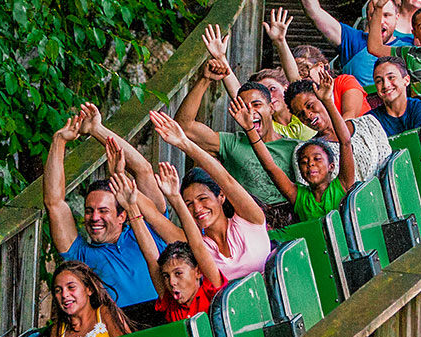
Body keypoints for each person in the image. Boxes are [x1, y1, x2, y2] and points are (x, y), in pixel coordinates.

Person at [44, 103, 183, 312]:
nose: (94, 217)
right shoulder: (82, 256)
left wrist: (97, 129)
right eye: (89, 210)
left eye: (103, 210)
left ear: (122, 216)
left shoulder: (150, 228)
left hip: (167, 318)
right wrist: (59, 140)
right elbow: (54, 203)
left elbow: (143, 170)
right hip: (122, 333)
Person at [151, 110, 271, 280]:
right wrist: (175, 198)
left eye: (203, 199)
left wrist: (185, 143)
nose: (197, 208)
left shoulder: (250, 219)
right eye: (189, 204)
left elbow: (226, 180)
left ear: (221, 197)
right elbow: (155, 217)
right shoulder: (199, 246)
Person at [175, 58, 301, 216]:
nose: (250, 112)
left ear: (270, 108)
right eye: (243, 107)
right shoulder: (231, 142)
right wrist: (204, 79)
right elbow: (184, 126)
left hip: (290, 220)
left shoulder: (294, 147)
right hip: (248, 224)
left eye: (256, 105)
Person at [231, 70, 355, 222]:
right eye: (303, 162)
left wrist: (328, 101)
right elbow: (271, 167)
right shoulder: (298, 197)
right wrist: (250, 130)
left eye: (317, 159)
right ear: (300, 172)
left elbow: (345, 142)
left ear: (331, 166)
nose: (310, 164)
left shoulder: (342, 185)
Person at [110, 169, 228, 323]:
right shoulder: (170, 303)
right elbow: (151, 259)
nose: (171, 282)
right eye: (166, 276)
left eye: (178, 273)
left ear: (197, 271)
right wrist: (131, 209)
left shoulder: (211, 291)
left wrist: (175, 197)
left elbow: (198, 245)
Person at [201, 23, 317, 140]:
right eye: (265, 94)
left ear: (286, 88)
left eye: (272, 89)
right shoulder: (266, 124)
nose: (270, 96)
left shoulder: (303, 111)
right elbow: (238, 95)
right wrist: (221, 58)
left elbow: (295, 80)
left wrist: (280, 42)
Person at [285, 68, 391, 185]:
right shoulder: (306, 152)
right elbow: (313, 191)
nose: (307, 115)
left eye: (310, 105)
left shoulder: (368, 124)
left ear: (321, 97)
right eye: (300, 114)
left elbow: (389, 166)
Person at [297, 0, 413, 86]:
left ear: (397, 18)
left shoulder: (409, 45)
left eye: (386, 15)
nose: (381, 21)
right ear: (367, 17)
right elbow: (313, 10)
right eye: (374, 15)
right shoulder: (353, 40)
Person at [48, 260, 133, 337]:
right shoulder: (58, 330)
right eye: (58, 290)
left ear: (89, 289)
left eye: (71, 287)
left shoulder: (105, 313)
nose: (64, 295)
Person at [368, 56, 421, 136]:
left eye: (391, 77)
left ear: (406, 80)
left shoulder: (420, 109)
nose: (385, 85)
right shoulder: (371, 120)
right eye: (379, 81)